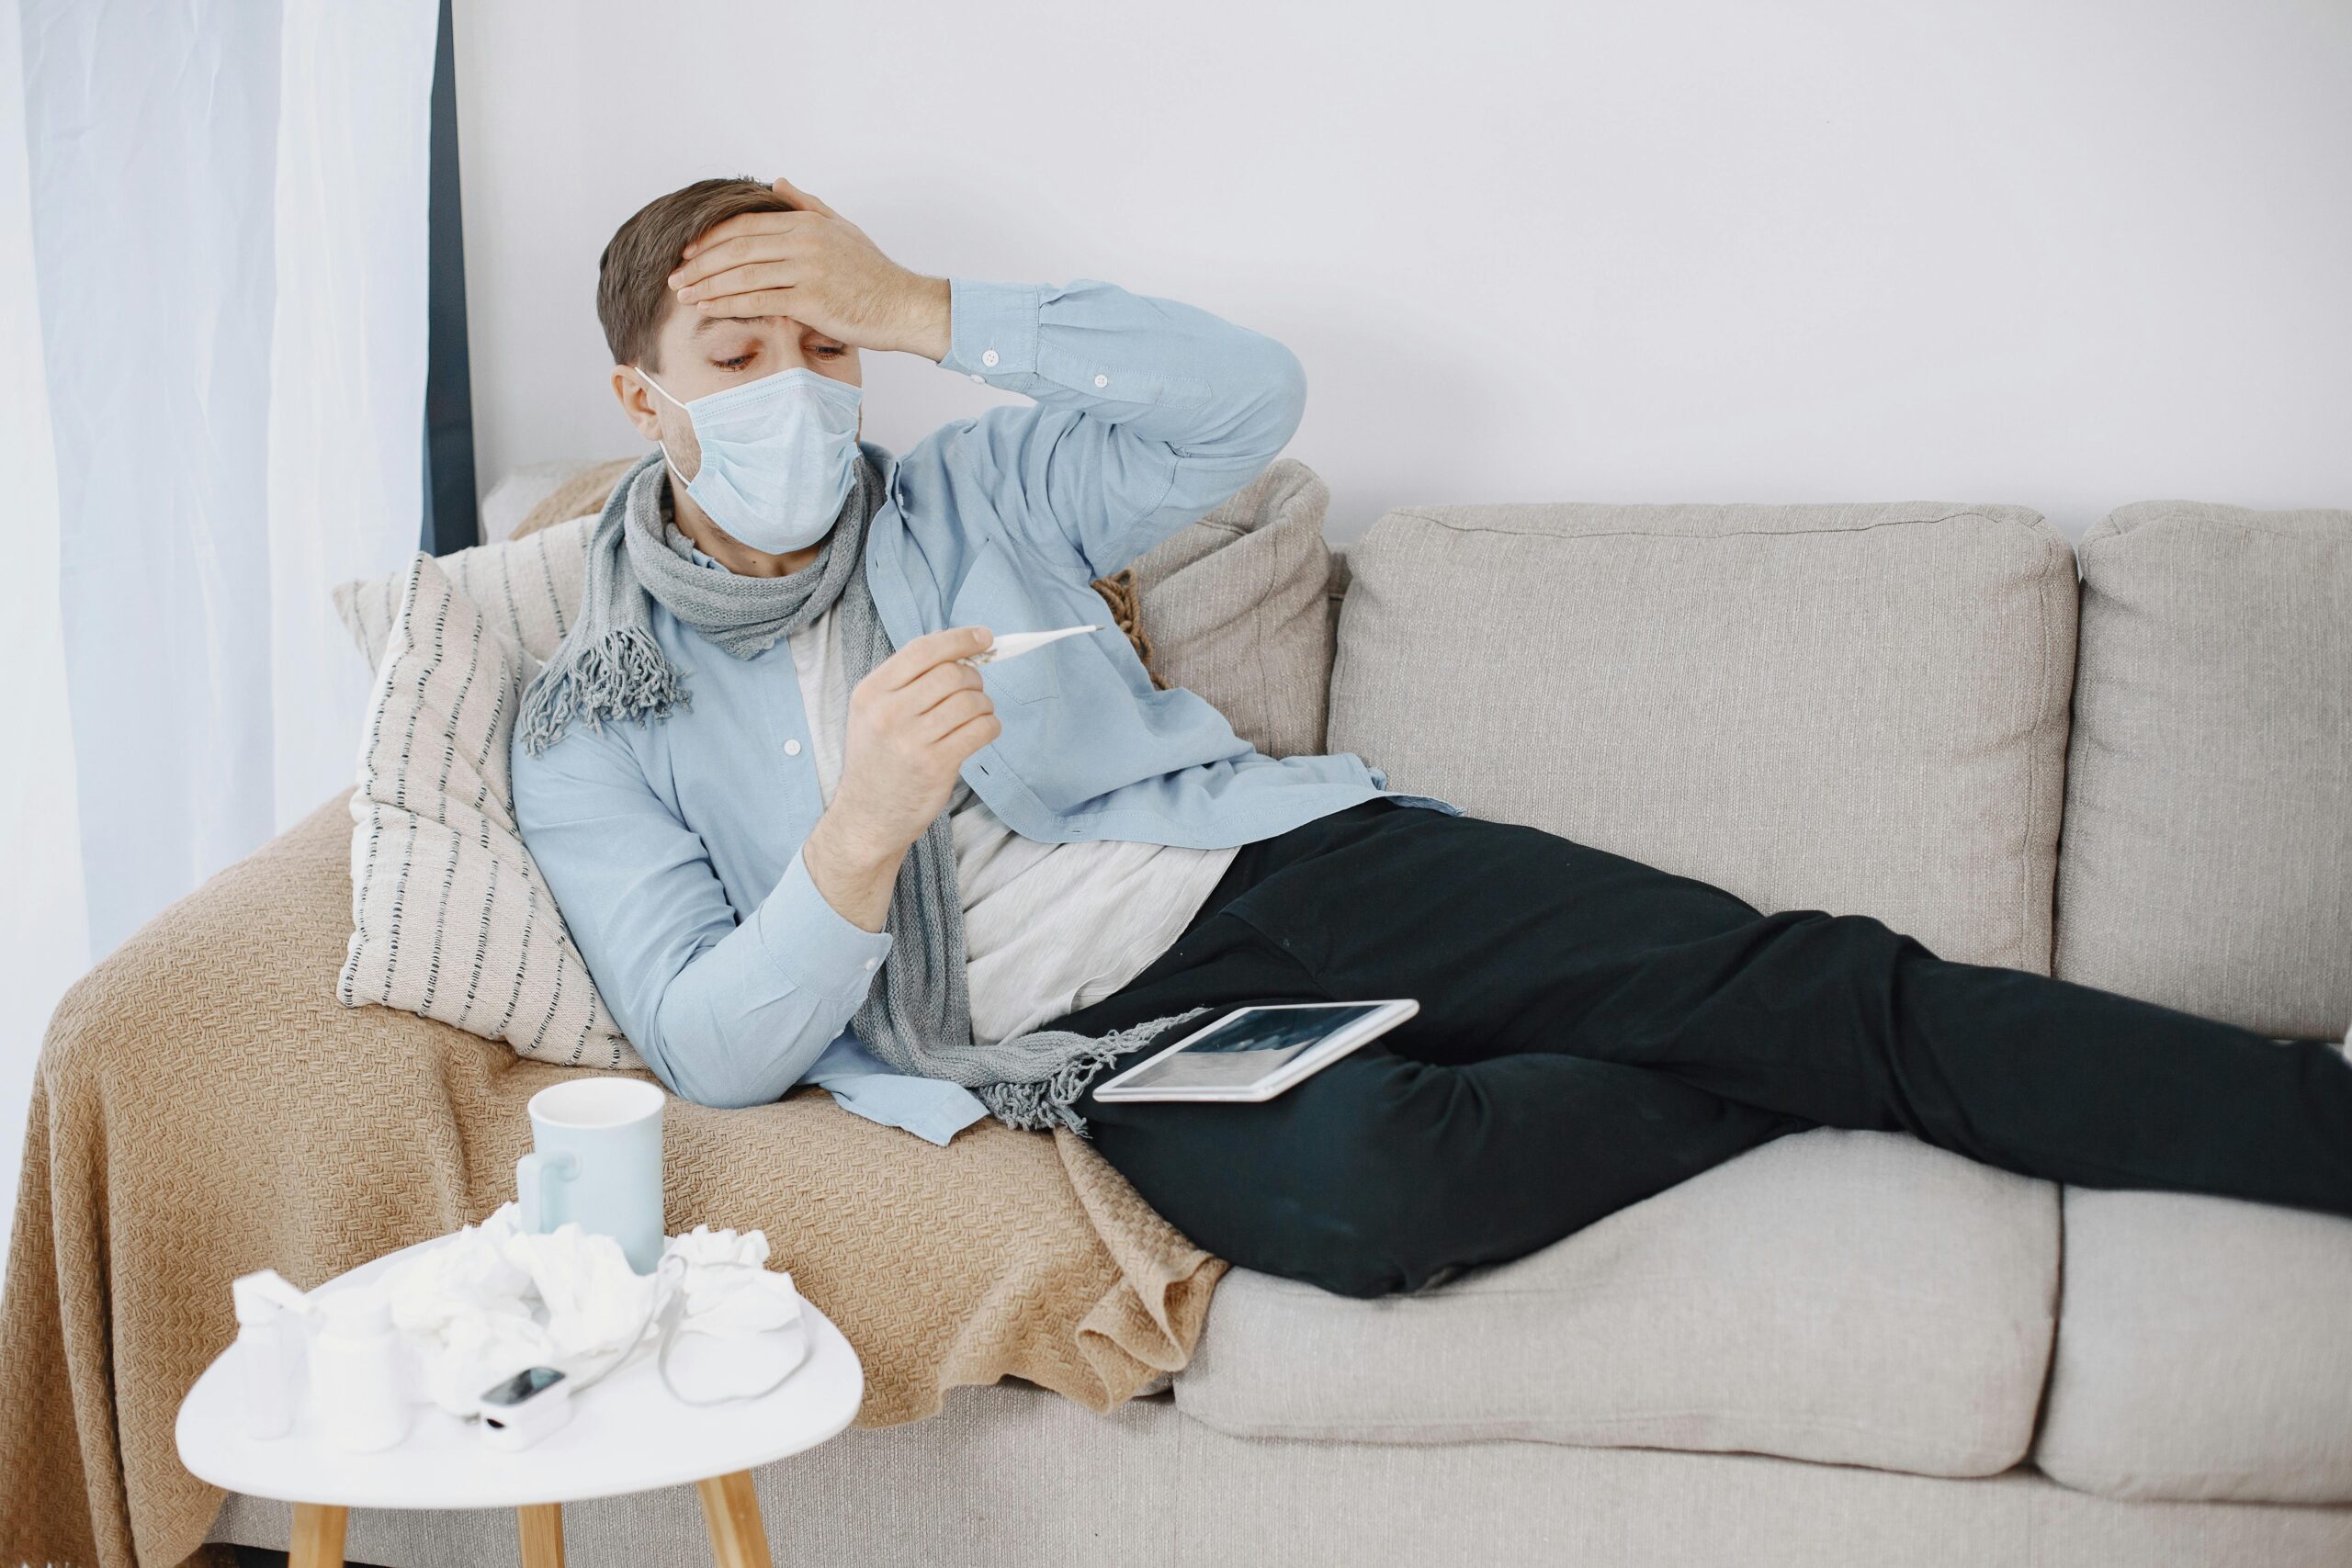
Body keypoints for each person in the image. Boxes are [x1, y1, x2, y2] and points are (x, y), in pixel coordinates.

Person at [514, 174, 2352, 1301]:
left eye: (822, 349)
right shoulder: (594, 706)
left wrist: (919, 306)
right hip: (1082, 1040)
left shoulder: (977, 487)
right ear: (638, 393)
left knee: (1816, 984)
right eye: (739, 355)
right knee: (1375, 1191)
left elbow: (1246, 399)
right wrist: (855, 837)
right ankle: (1787, 1065)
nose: (797, 395)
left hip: (1280, 864)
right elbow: (707, 1043)